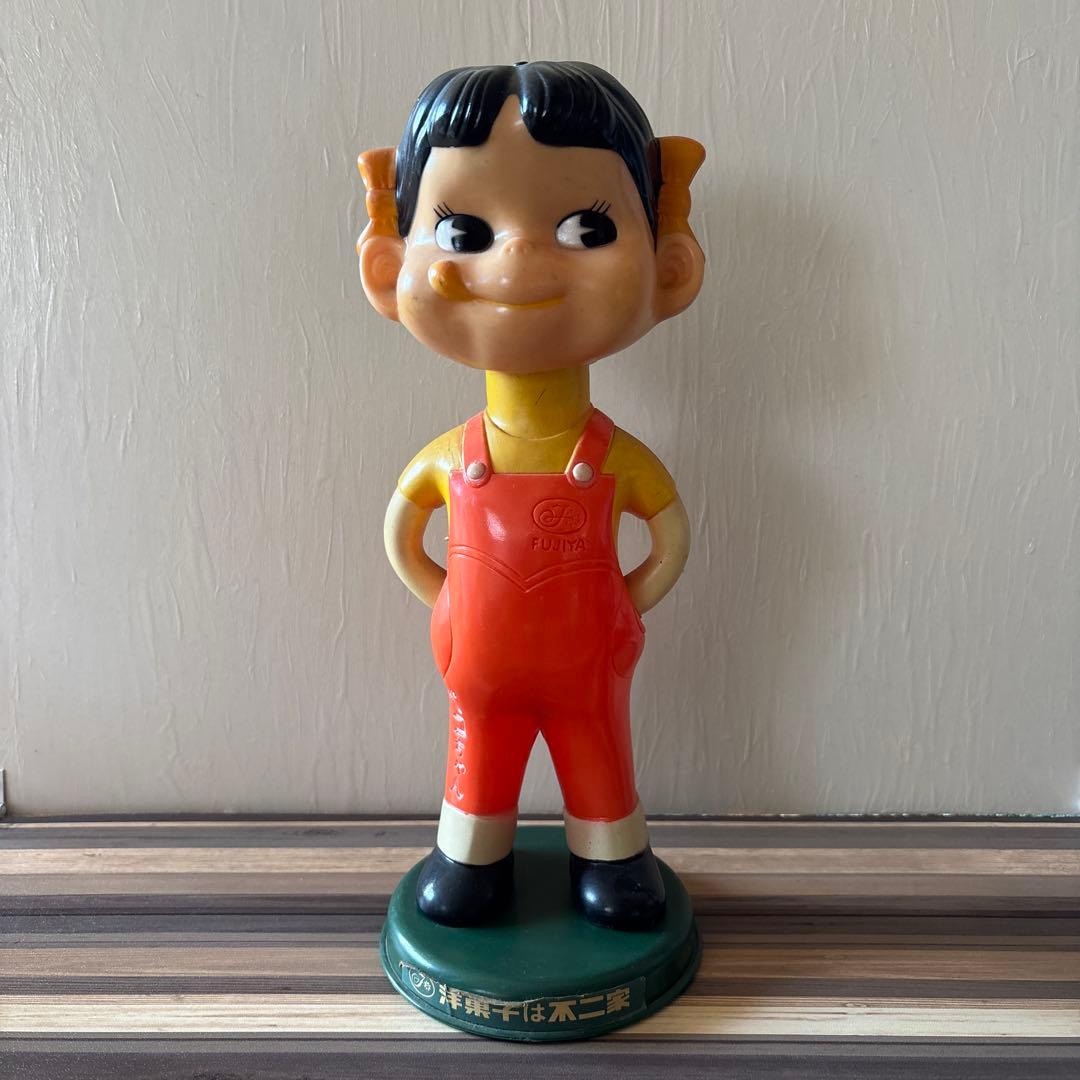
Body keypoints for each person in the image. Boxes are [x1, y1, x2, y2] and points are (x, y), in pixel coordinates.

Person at [358, 61, 704, 930]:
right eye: (464, 229)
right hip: (481, 666)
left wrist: (621, 605)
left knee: (599, 753)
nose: (518, 255)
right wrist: (453, 604)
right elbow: (402, 534)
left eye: (588, 228)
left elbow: (670, 536)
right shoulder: (453, 457)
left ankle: (612, 859)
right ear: (389, 265)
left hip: (589, 664)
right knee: (478, 754)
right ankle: (470, 859)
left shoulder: (616, 457)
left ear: (669, 264)